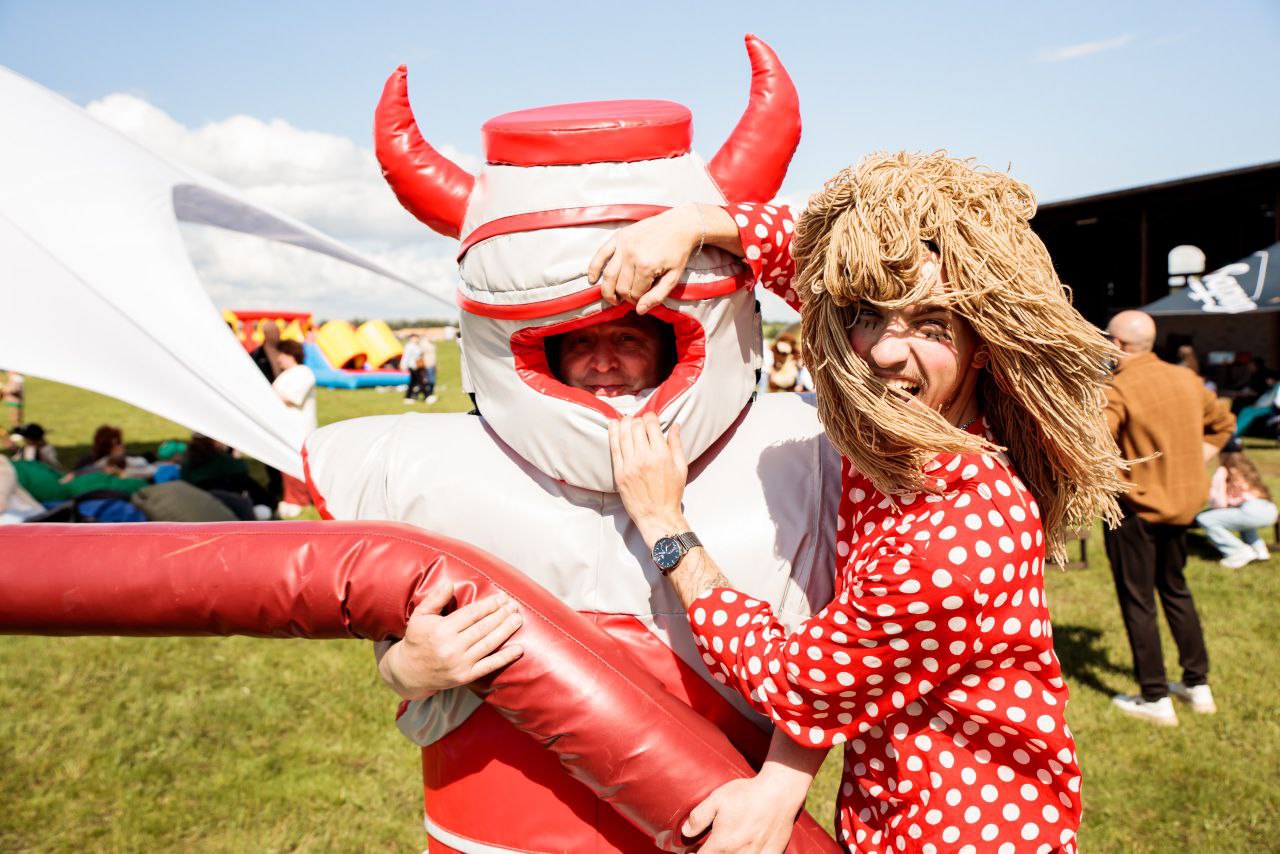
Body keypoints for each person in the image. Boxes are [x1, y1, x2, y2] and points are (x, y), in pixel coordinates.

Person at [596, 151, 1128, 851]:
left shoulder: (960, 529)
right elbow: (820, 260)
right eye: (870, 317)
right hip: (885, 816)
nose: (883, 352)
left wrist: (665, 525)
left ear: (983, 347)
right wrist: (693, 223)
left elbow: (796, 681)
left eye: (932, 326)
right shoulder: (912, 436)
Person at [1102, 310, 1235, 724]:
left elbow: (1095, 446)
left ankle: (1155, 697)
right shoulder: (1187, 379)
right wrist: (1194, 460)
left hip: (1134, 510)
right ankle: (1198, 685)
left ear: (1118, 344)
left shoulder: (1117, 387)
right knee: (1176, 591)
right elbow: (1224, 424)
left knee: (1138, 601)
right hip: (1181, 506)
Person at [1196, 440, 1276, 568]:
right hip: (1269, 509)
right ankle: (1259, 551)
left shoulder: (1224, 470)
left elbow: (1219, 502)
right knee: (1243, 521)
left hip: (1251, 511)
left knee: (1204, 518)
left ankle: (1237, 551)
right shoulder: (1247, 468)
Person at [271, 339, 317, 518]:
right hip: (285, 427)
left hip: (300, 428)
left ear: (291, 355)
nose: (279, 359)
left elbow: (292, 397)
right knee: (285, 465)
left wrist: (269, 393)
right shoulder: (285, 374)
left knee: (297, 464)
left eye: (282, 355)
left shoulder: (304, 373)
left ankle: (300, 500)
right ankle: (290, 498)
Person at [401, 334, 425, 404]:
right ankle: (425, 395)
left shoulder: (416, 345)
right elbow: (406, 356)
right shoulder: (409, 346)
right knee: (416, 382)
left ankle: (410, 396)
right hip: (412, 366)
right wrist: (403, 365)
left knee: (414, 382)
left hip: (417, 366)